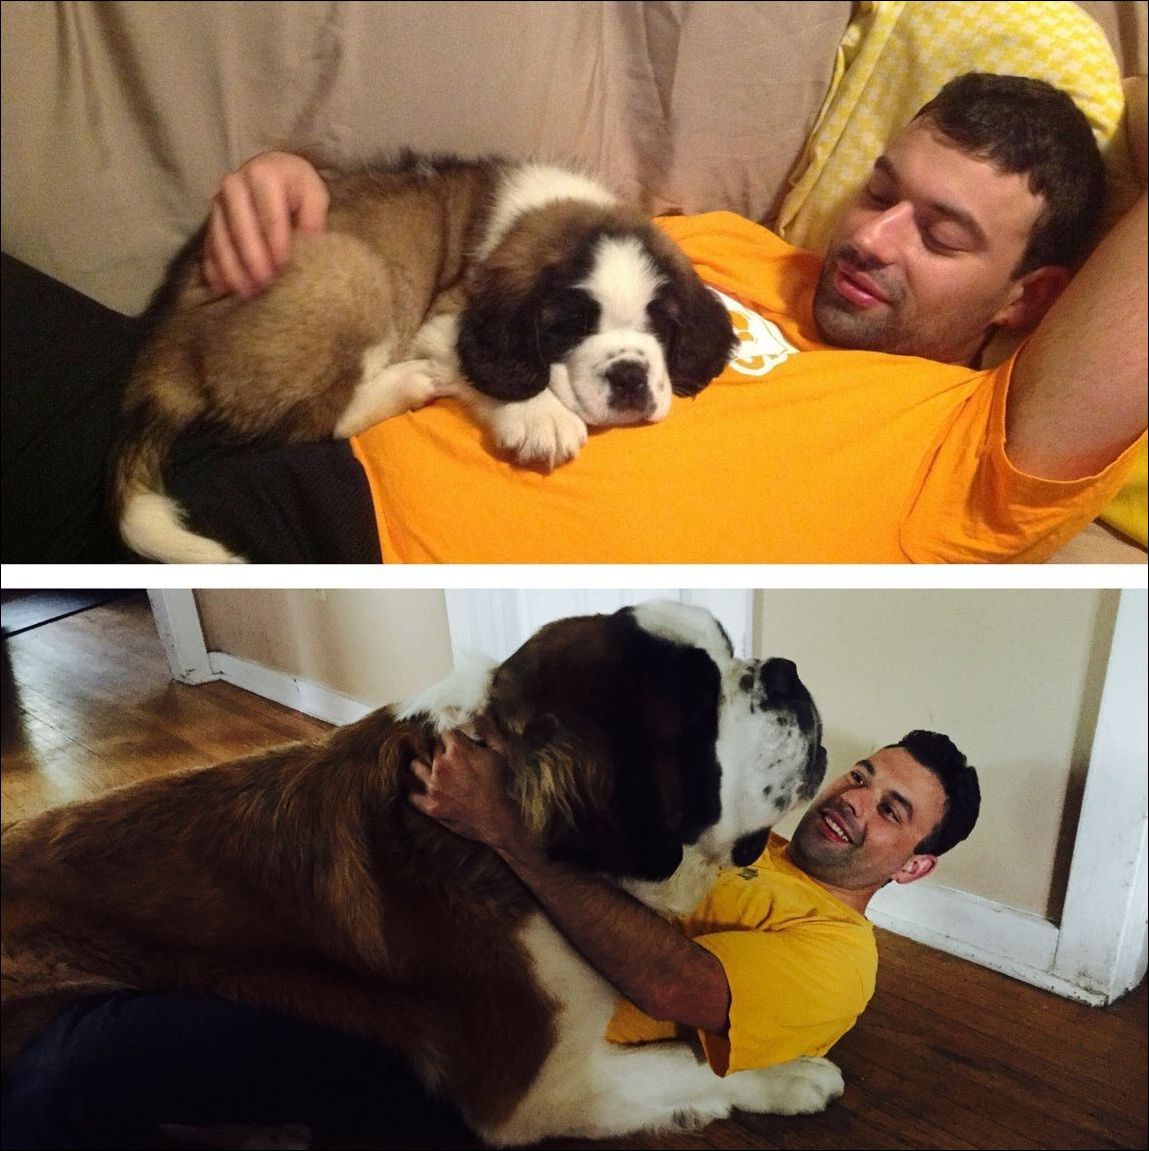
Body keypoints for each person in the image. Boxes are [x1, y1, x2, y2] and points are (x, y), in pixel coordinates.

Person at [157, 71, 1147, 563]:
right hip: (277, 385)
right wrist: (309, 192)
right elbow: (458, 243)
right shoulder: (723, 241)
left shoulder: (981, 451)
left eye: (939, 234)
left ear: (1026, 297)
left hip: (343, 549)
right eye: (880, 189)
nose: (872, 238)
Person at [0, 729, 980, 1148]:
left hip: (452, 1030)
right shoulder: (750, 833)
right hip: (418, 923)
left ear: (914, 865)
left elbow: (675, 983)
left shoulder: (837, 954)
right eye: (861, 776)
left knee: (80, 1058)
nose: (854, 801)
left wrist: (503, 828)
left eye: (891, 810)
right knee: (146, 918)